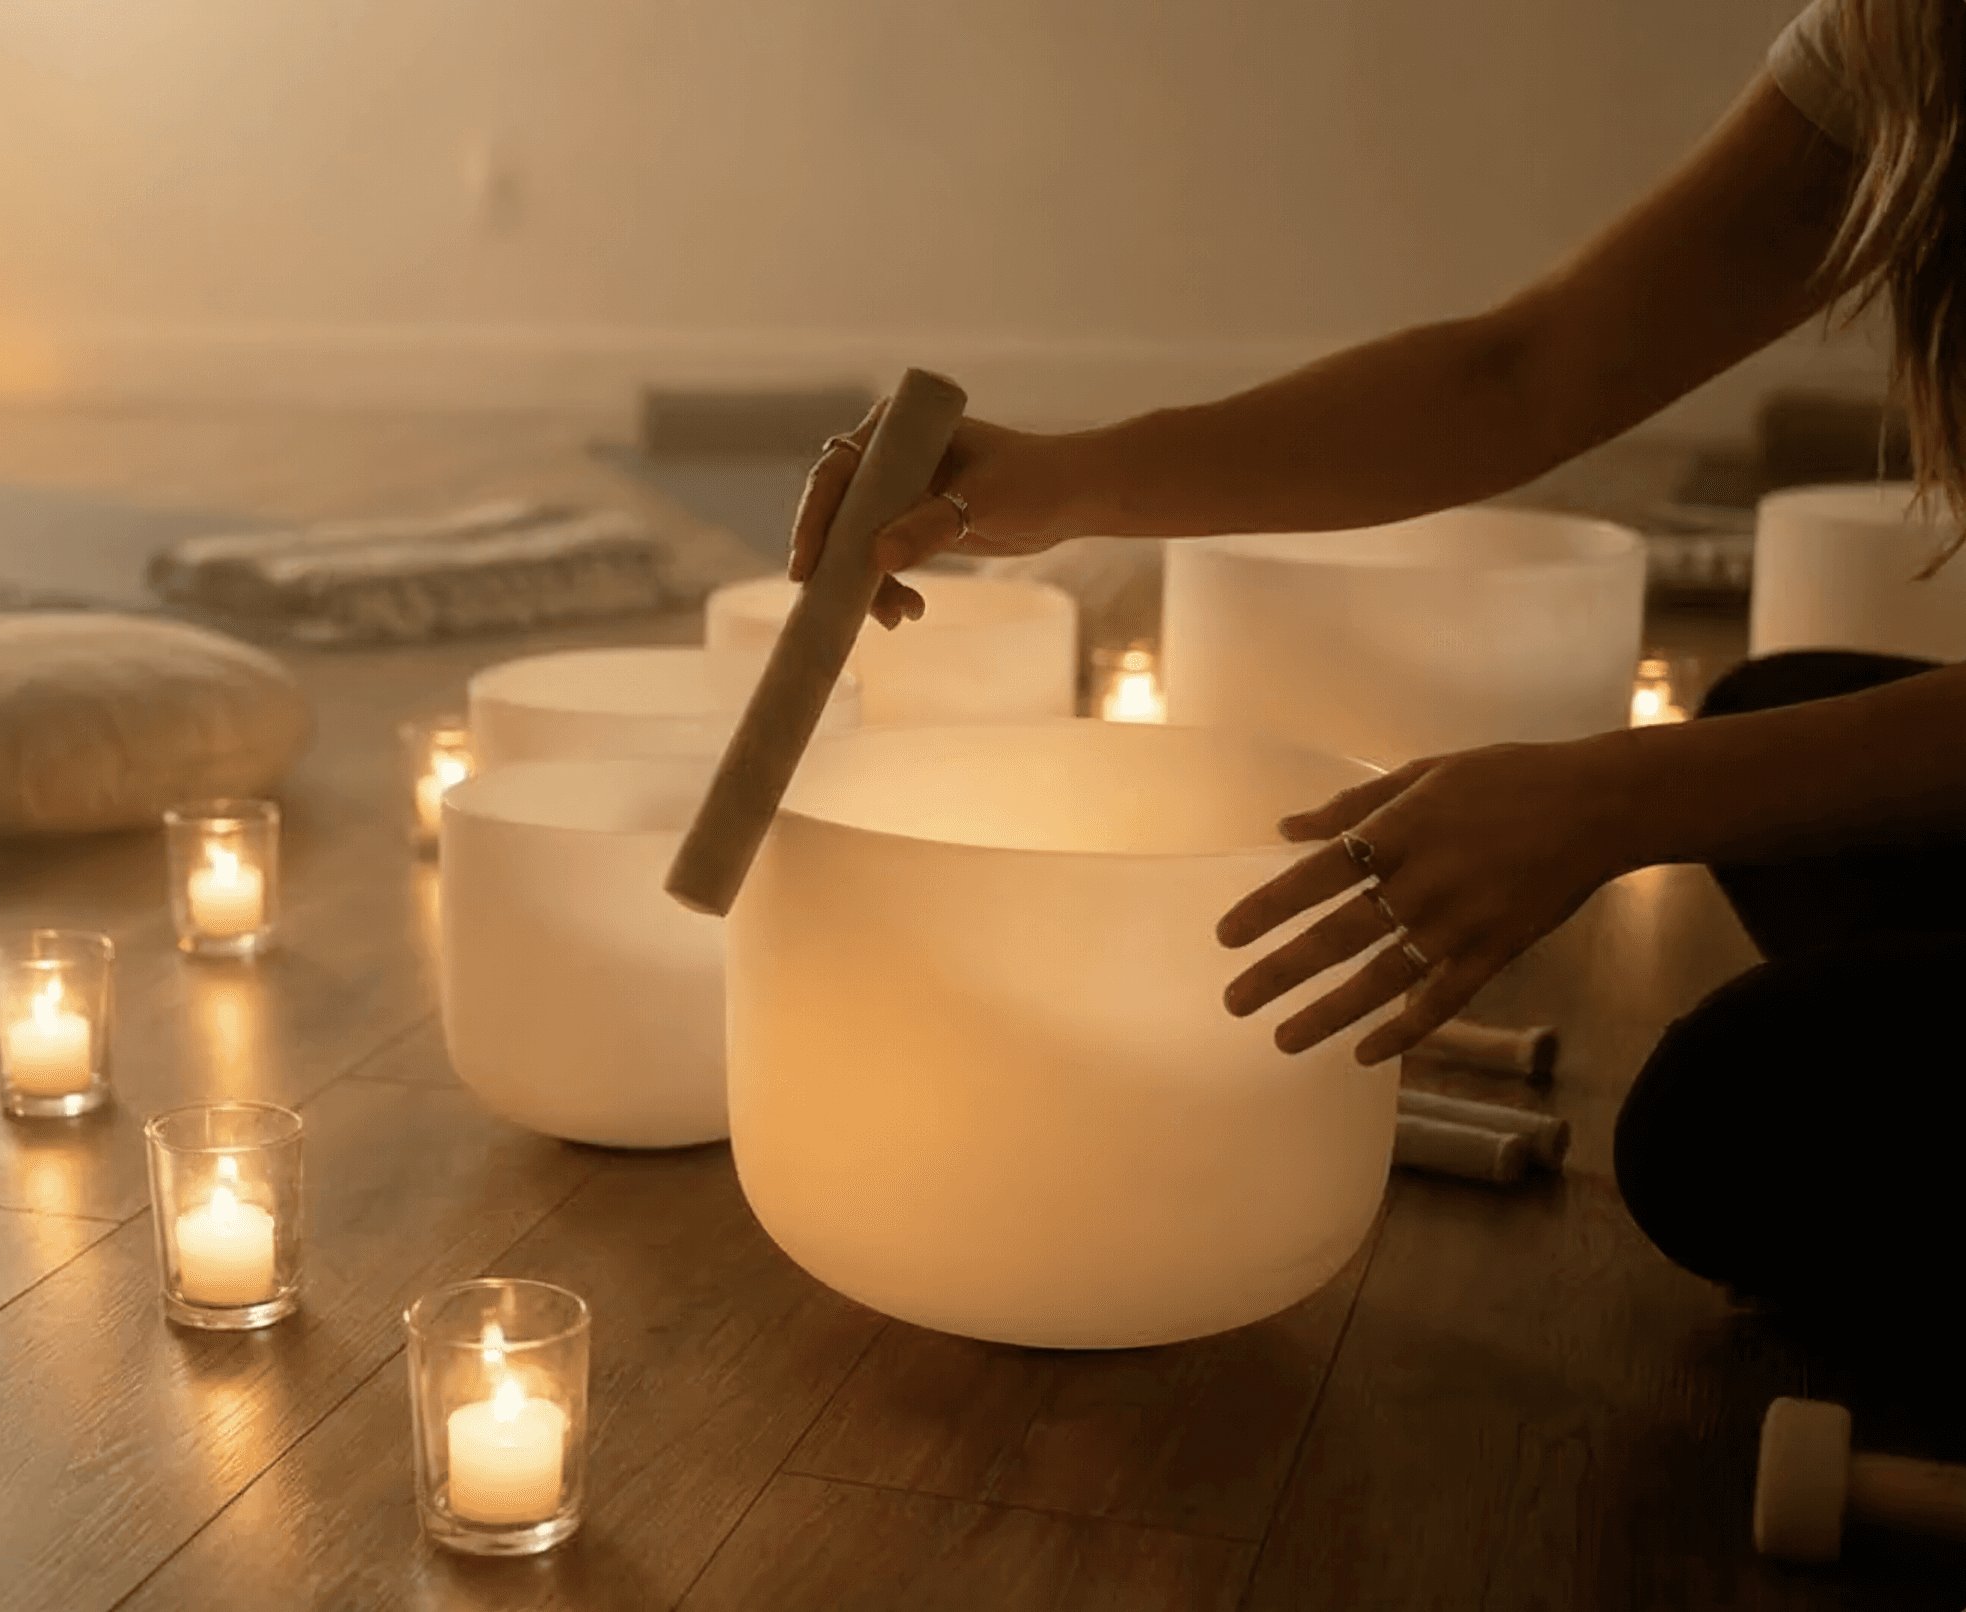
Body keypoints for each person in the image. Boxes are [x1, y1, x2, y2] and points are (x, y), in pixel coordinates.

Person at [787, 0, 1966, 1352]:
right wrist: (1073, 480)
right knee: (1772, 716)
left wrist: (1613, 800)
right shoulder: (1902, 39)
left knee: (1729, 1129)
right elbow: (1522, 373)